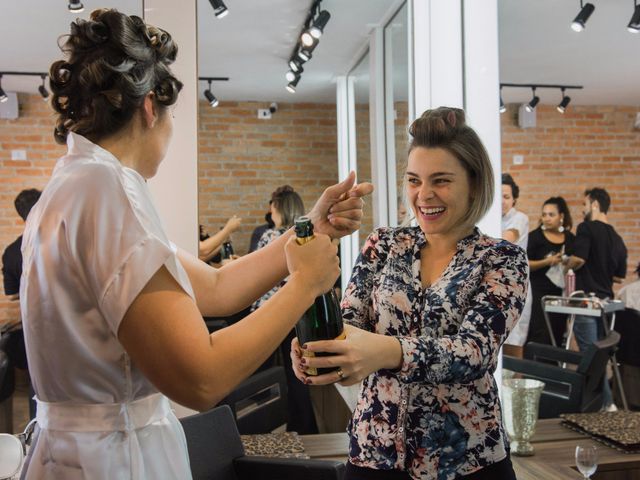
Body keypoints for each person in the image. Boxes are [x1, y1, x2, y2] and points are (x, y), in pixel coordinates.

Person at [19, 9, 372, 479]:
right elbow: (201, 378)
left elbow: (220, 285)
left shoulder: (73, 187)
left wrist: (312, 226)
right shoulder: (109, 193)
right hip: (114, 460)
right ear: (150, 109)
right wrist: (305, 284)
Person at [292, 108, 528, 480]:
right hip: (374, 454)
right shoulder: (383, 244)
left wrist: (386, 350)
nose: (424, 195)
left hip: (467, 459)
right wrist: (319, 352)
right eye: (414, 180)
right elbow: (347, 322)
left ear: (475, 182)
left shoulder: (501, 258)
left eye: (442, 180)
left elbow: (475, 351)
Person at [251, 185, 318, 434]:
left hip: (270, 313)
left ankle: (260, 429)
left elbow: (257, 279)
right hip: (297, 312)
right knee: (298, 375)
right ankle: (305, 429)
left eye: (272, 205)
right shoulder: (304, 240)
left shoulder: (270, 237)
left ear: (278, 208)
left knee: (262, 374)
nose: (270, 210)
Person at [566, 187, 627, 411]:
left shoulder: (586, 228)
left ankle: (606, 404)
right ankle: (603, 403)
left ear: (594, 205)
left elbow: (579, 259)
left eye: (584, 205)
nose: (582, 210)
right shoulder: (617, 238)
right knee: (599, 355)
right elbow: (619, 276)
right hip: (606, 304)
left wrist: (566, 262)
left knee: (590, 355)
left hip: (586, 301)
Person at [1, 188, 41, 425]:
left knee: (33, 384)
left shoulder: (11, 252)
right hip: (51, 329)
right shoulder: (57, 242)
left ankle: (32, 432)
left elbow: (13, 297)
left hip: (27, 334)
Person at [526, 197, 575, 346]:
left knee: (558, 329)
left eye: (551, 215)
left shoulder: (570, 238)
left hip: (561, 292)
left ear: (561, 216)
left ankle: (555, 367)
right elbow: (525, 264)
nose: (547, 218)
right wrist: (547, 262)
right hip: (538, 293)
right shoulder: (534, 237)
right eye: (544, 214)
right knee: (540, 331)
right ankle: (537, 368)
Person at [501, 173, 532, 355]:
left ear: (514, 200)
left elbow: (507, 239)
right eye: (499, 197)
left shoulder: (519, 218)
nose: (502, 202)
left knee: (514, 343)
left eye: (506, 197)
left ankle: (517, 384)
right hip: (496, 286)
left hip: (516, 286)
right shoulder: (489, 218)